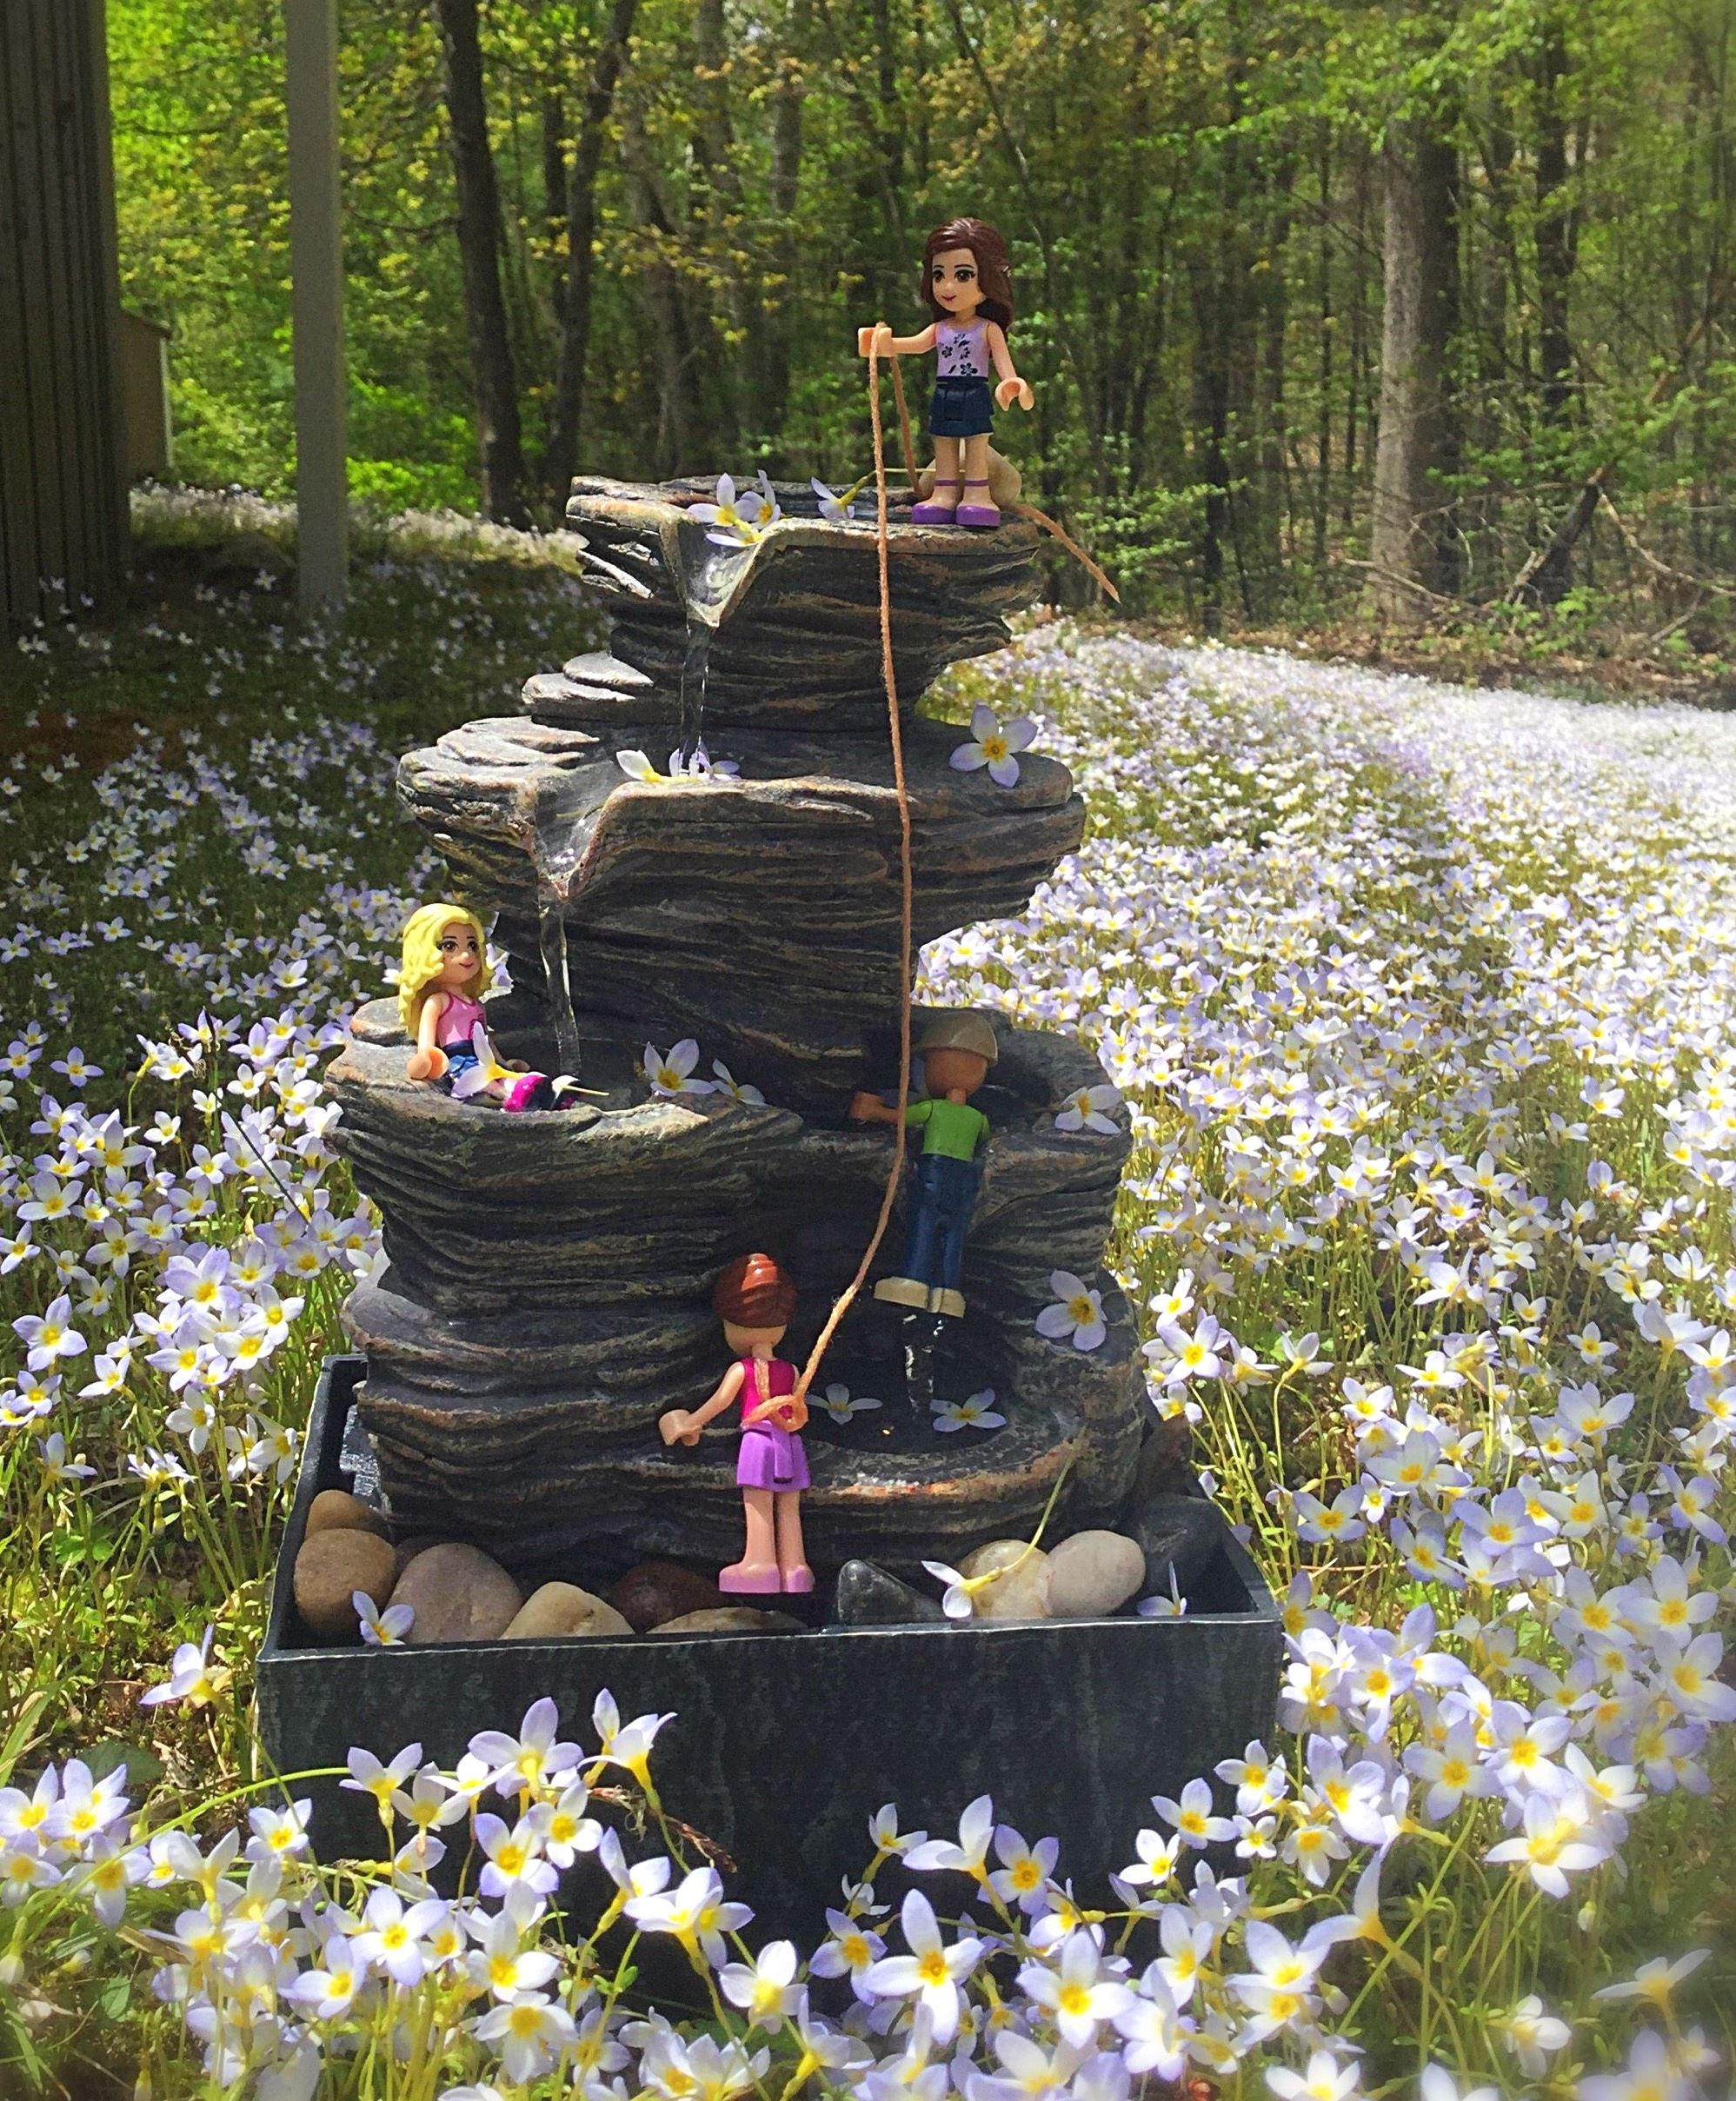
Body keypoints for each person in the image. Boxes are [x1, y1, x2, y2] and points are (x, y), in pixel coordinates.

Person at [855, 217, 1034, 528]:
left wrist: (1013, 384)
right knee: (944, 441)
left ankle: (977, 495)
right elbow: (915, 344)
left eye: (963, 275)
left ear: (988, 278)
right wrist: (882, 344)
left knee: (976, 444)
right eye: (939, 275)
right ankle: (944, 493)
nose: (948, 286)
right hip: (945, 391)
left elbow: (1005, 366)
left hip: (974, 390)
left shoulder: (988, 329)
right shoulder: (940, 329)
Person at [657, 1253, 814, 1595]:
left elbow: (721, 1402)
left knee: (758, 1502)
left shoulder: (742, 1369)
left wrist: (691, 1423)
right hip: (790, 1442)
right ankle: (796, 1568)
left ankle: (760, 1564)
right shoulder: (791, 1370)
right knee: (789, 1506)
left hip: (759, 1441)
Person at [849, 1011, 998, 1320]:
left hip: (935, 1172)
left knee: (925, 1224)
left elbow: (901, 1117)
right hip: (964, 1179)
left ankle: (914, 1280)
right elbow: (985, 1139)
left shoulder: (932, 1108)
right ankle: (947, 1290)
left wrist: (872, 1111)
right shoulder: (978, 1118)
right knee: (953, 1233)